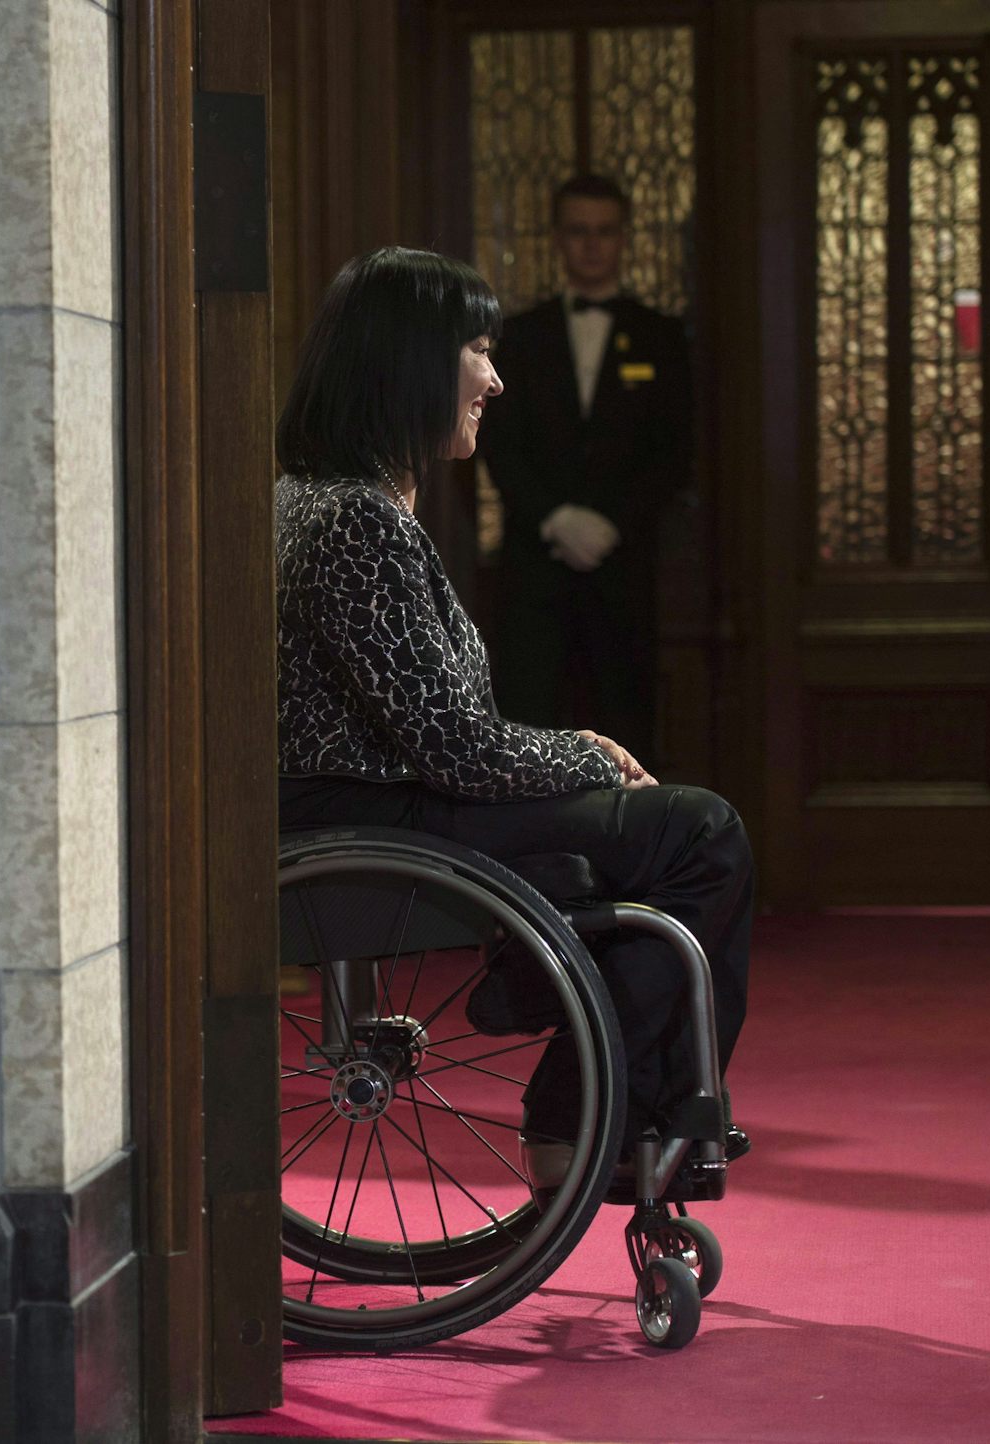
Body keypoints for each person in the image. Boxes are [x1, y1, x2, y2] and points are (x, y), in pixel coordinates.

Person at [274, 245, 748, 1174]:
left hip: (364, 806)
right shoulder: (355, 520)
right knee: (701, 833)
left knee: (668, 834)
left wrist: (574, 751)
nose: (495, 378)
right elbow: (457, 748)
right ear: (409, 361)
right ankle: (593, 1118)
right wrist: (589, 754)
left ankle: (592, 1100)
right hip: (373, 822)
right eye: (477, 351)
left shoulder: (321, 498)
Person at [478, 174, 692, 764]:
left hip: (624, 576)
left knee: (627, 733)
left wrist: (611, 522)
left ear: (624, 238)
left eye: (604, 232)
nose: (592, 245)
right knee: (528, 731)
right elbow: (498, 442)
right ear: (557, 239)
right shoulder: (517, 337)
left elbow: (675, 452)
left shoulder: (662, 337)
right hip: (534, 579)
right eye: (578, 232)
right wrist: (555, 518)